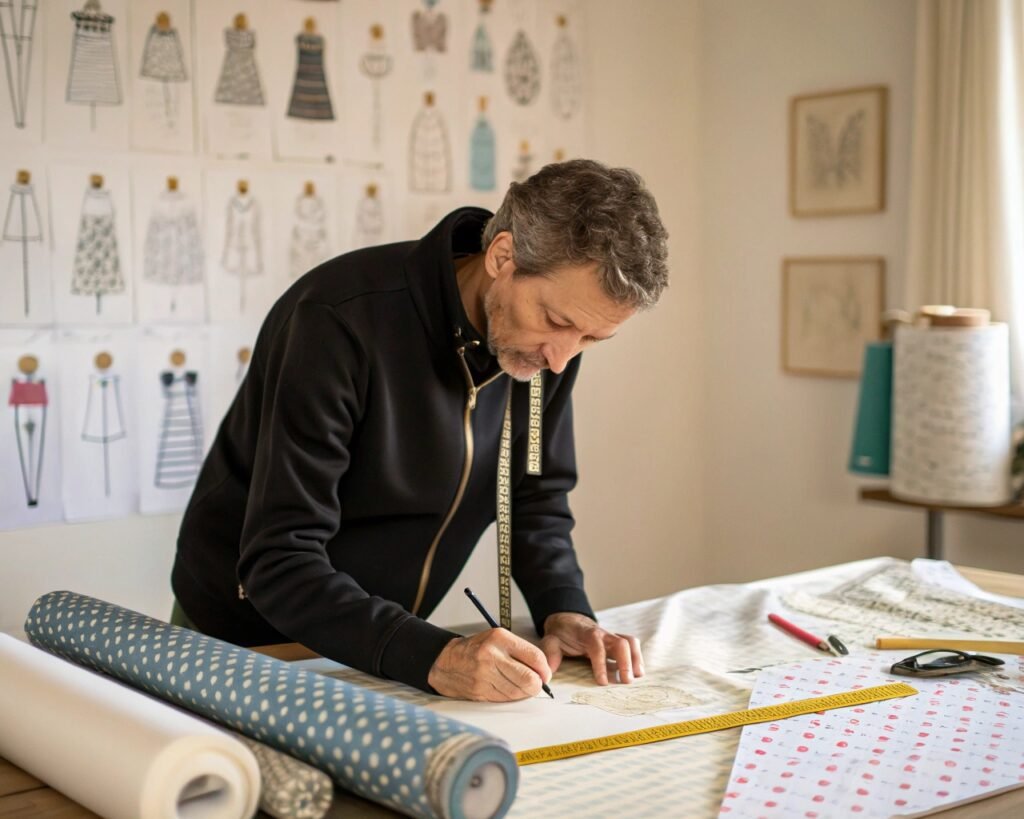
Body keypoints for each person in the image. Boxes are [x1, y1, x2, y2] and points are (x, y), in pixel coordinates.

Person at [171, 159, 670, 701]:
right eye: (556, 321)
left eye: (593, 339)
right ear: (503, 256)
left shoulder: (545, 352)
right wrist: (433, 655)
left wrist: (564, 608)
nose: (561, 360)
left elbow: (537, 496)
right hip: (245, 641)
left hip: (385, 646)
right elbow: (278, 559)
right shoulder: (338, 321)